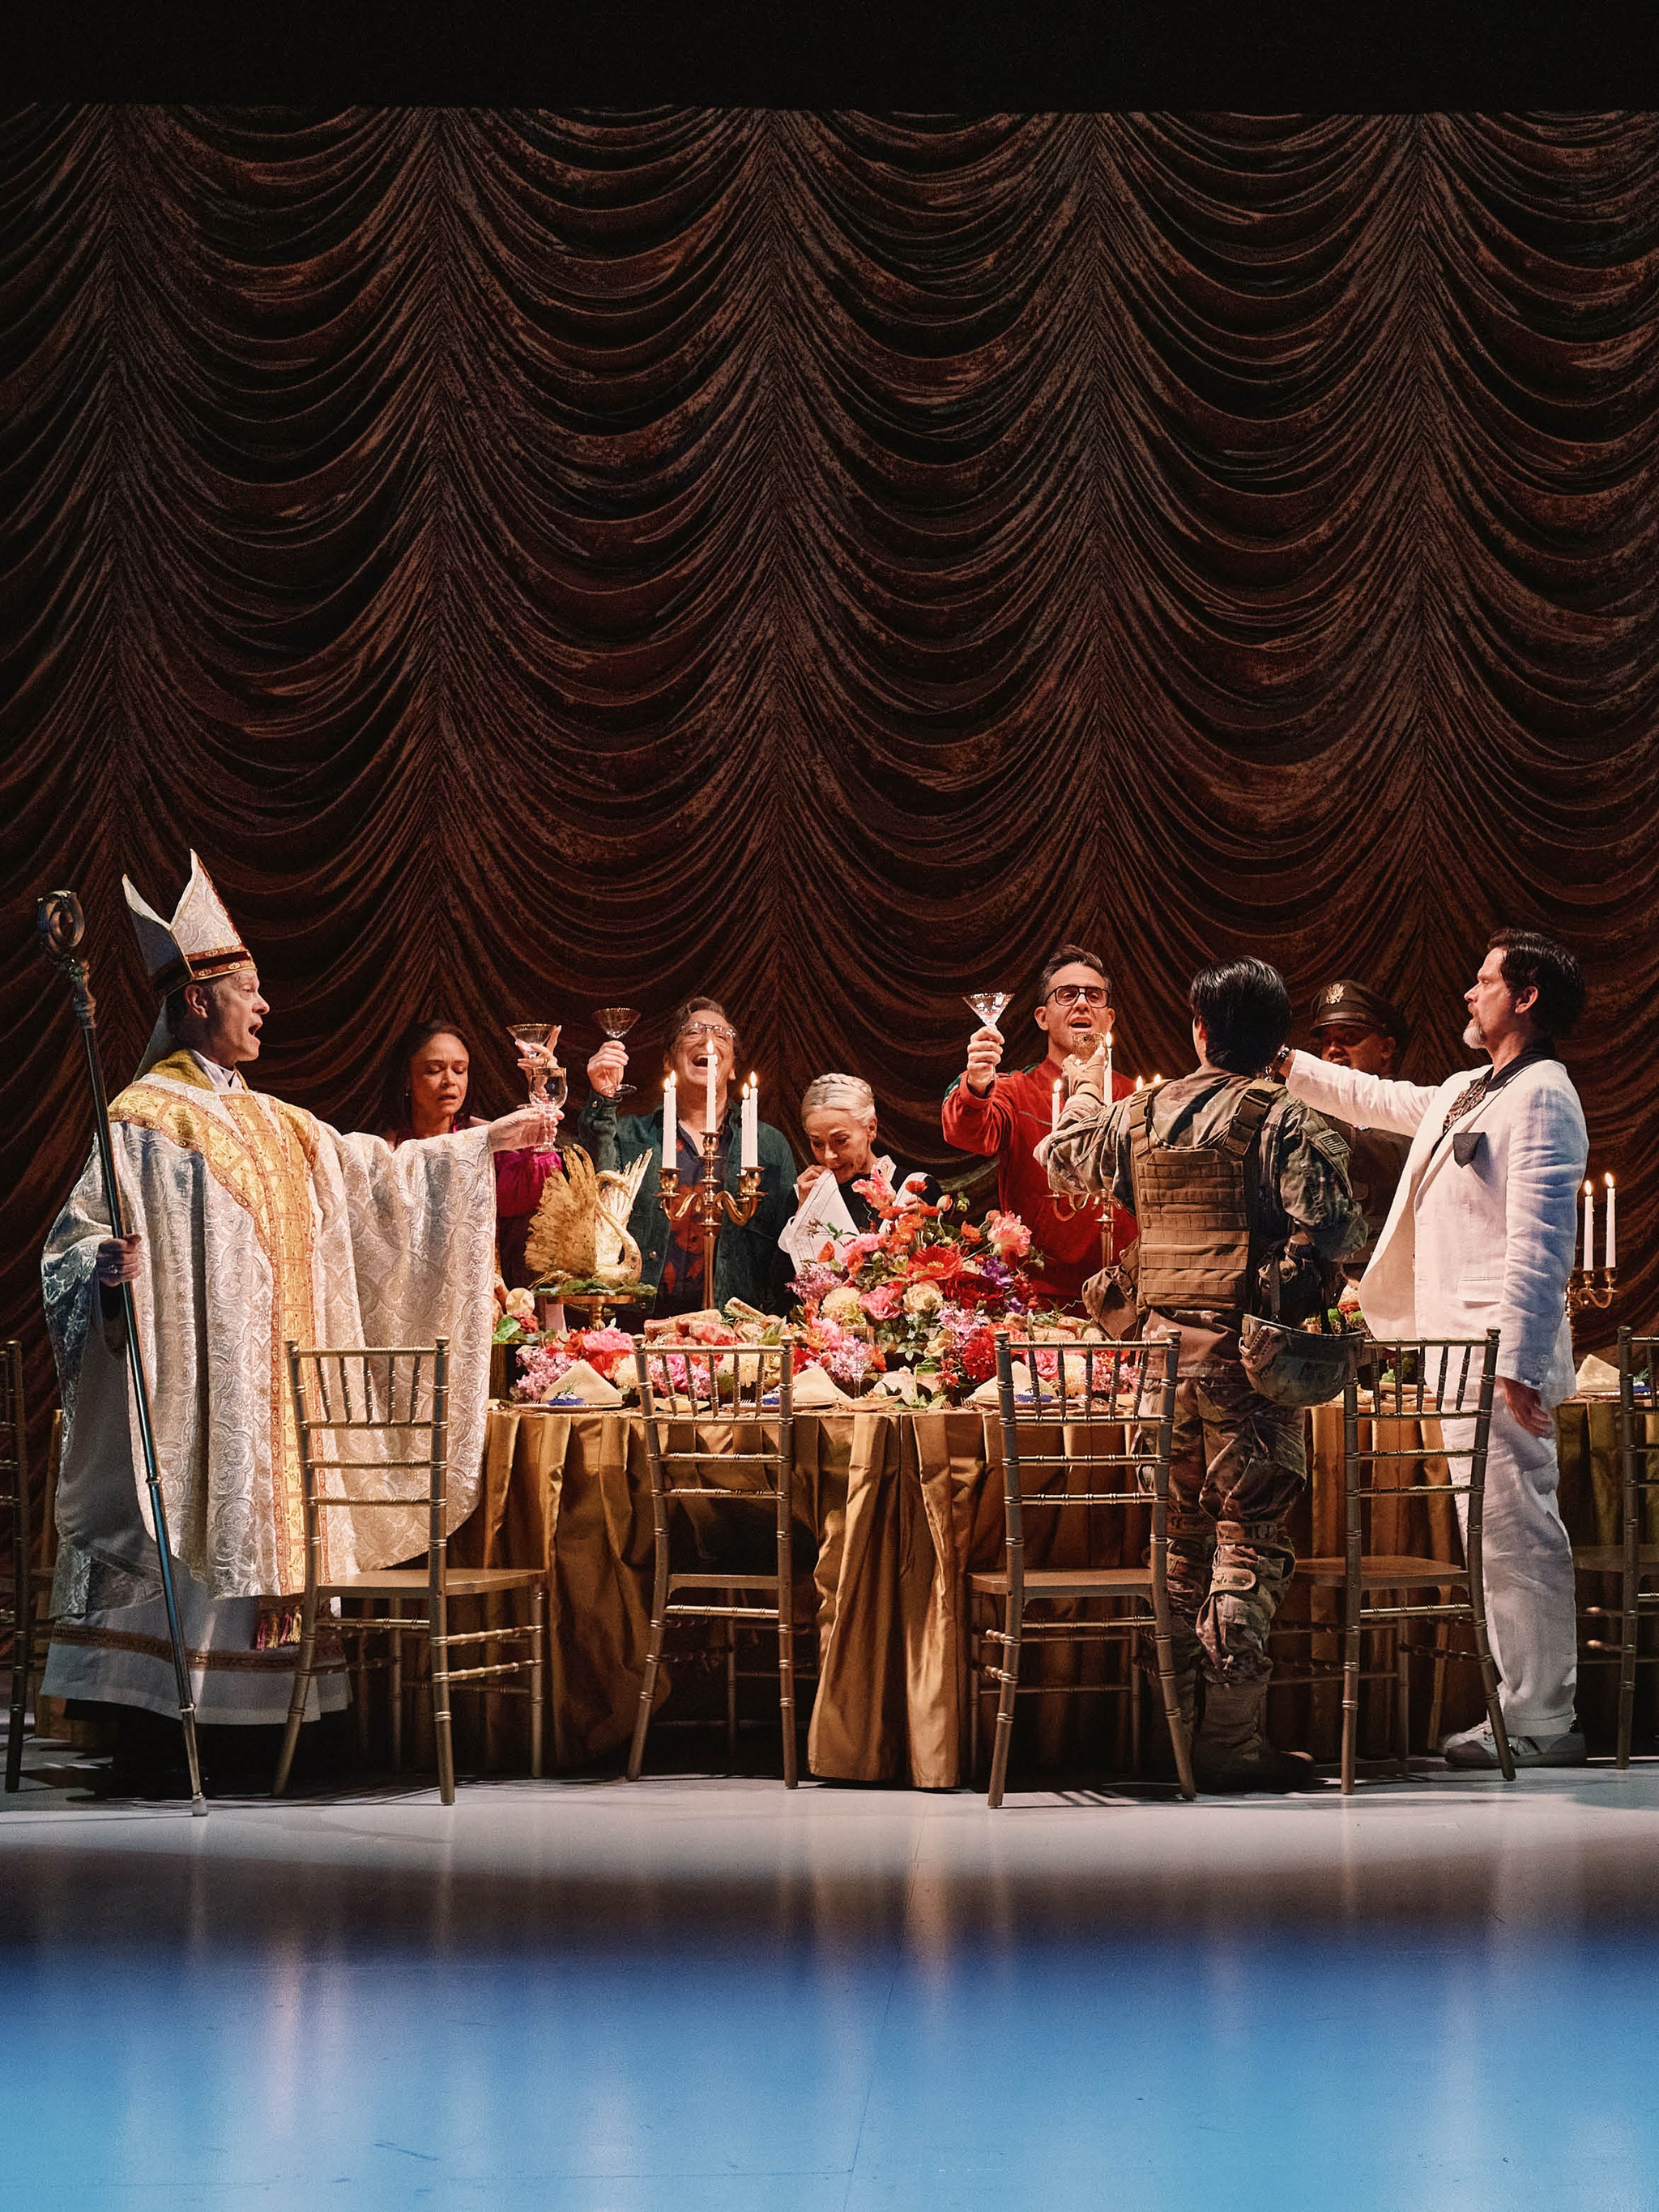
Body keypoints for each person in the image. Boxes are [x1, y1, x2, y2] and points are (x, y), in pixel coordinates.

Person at [41, 854, 548, 1792]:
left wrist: (484, 1143)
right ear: (197, 1003)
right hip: (195, 1390)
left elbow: (381, 1178)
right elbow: (70, 1248)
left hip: (276, 1391)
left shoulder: (277, 1123)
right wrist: (104, 1273)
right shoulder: (143, 1119)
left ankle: (272, 1735)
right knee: (198, 1516)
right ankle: (163, 1729)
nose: (265, 1008)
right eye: (249, 992)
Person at [1041, 958, 1365, 1791]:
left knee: (1178, 1550)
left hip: (1153, 1364)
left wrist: (1082, 1086)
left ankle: (1174, 1738)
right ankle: (1227, 1744)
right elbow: (1334, 1233)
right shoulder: (1285, 1121)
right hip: (1245, 1367)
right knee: (1246, 1543)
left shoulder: (1136, 1114)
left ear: (1196, 1029)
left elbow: (1062, 1162)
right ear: (1275, 1041)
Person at [1276, 928, 1589, 1769]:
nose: (1466, 993)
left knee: (1515, 1533)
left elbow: (1540, 1238)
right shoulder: (1465, 1089)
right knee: (1485, 1534)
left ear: (1523, 997)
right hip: (1458, 1349)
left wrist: (1520, 1362)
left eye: (1483, 980)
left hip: (1498, 1356)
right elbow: (1376, 1101)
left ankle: (1542, 1716)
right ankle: (1517, 1705)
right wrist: (1281, 1062)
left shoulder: (1542, 1095)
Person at [941, 944, 1135, 1305]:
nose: (1081, 1004)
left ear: (1109, 1019)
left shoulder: (1136, 1099)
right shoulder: (1016, 1092)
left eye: (1093, 996)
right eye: (1067, 995)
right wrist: (978, 1082)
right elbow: (967, 1132)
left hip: (1125, 1302)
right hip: (1037, 1305)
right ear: (1042, 1017)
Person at [579, 995, 797, 1315]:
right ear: (669, 1061)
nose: (708, 1039)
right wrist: (603, 1098)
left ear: (733, 1067)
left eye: (722, 1035)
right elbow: (594, 1197)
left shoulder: (768, 1145)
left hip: (734, 1332)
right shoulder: (628, 1137)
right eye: (693, 1032)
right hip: (642, 1326)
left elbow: (785, 1251)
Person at [376, 1015, 560, 1290]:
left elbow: (531, 1195)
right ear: (407, 1079)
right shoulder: (382, 1151)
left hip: (474, 1293)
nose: (449, 1081)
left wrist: (542, 1092)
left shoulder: (489, 1141)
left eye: (459, 1070)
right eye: (433, 1070)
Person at [1307, 980, 1414, 1277]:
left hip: (1386, 1276)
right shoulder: (1311, 1112)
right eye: (1325, 1042)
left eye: (1349, 1037)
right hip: (1317, 1281)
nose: (1333, 1051)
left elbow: (1385, 1158)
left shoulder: (1406, 1108)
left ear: (1386, 1047)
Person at [783, 1074, 942, 1250]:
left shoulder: (915, 1188)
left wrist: (927, 1231)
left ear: (871, 1129)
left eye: (841, 1140)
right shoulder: (804, 1194)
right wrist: (802, 1214)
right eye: (817, 1144)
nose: (828, 1156)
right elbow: (780, 1277)